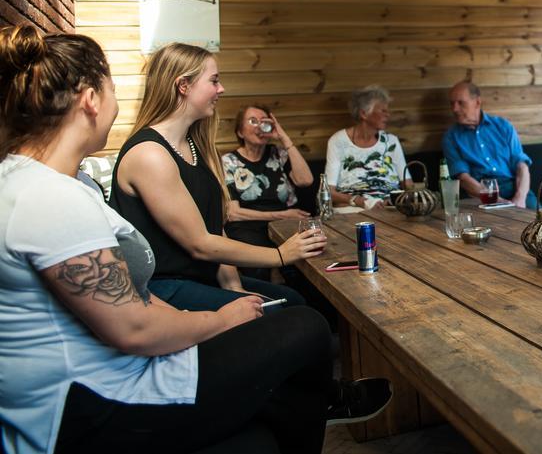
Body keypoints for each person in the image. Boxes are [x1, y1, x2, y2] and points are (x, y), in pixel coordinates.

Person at [0, 25, 335, 454]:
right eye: (112, 90)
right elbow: (136, 329)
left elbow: (131, 294)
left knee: (265, 427)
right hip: (88, 404)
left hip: (108, 377)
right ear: (90, 101)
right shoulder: (46, 196)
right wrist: (222, 319)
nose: (116, 104)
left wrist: (227, 300)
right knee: (304, 326)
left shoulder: (58, 183)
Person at [109, 43, 324, 312]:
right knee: (294, 317)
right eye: (214, 80)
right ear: (183, 85)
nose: (221, 89)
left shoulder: (194, 145)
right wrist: (281, 255)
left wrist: (234, 286)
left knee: (294, 302)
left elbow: (214, 228)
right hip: (164, 288)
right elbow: (201, 244)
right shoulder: (149, 154)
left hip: (203, 277)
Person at [222, 104, 313, 280]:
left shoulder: (278, 154)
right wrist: (281, 215)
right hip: (248, 226)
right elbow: (233, 213)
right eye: (252, 121)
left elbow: (306, 180)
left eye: (264, 122)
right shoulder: (229, 162)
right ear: (240, 132)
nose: (259, 126)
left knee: (310, 254)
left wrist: (284, 138)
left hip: (285, 224)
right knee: (260, 258)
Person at [443, 80, 535, 209]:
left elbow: (522, 166)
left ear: (477, 102)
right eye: (452, 103)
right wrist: (498, 200)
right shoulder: (451, 137)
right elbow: (463, 178)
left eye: (461, 103)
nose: (454, 109)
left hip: (514, 187)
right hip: (480, 193)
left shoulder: (503, 126)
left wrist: (520, 197)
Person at [324, 86, 408, 207]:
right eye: (383, 111)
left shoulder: (391, 141)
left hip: (390, 207)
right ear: (364, 113)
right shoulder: (338, 141)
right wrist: (360, 201)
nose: (388, 115)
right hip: (352, 208)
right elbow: (328, 191)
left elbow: (407, 183)